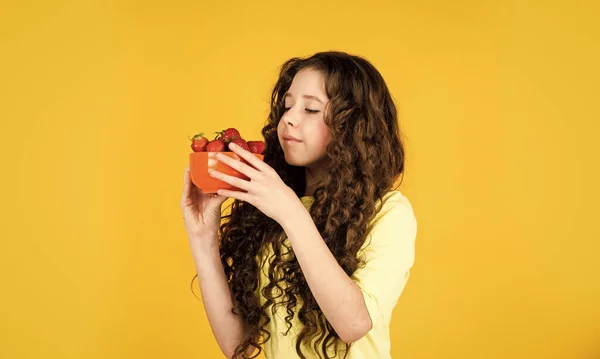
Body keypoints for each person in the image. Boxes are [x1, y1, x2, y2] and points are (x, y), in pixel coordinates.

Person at [180, 51, 417, 359]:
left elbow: (354, 324)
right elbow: (237, 345)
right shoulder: (268, 210)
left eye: (311, 109)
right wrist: (202, 235)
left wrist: (290, 212)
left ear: (352, 126)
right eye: (288, 105)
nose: (289, 118)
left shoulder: (389, 213)